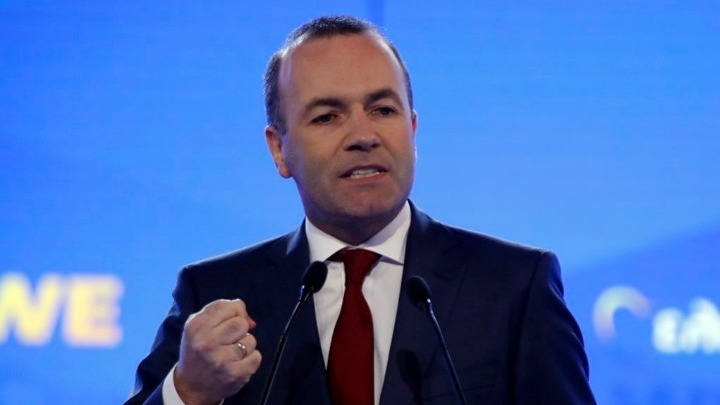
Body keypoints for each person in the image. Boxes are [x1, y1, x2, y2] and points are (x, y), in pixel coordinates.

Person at [125, 15, 596, 405]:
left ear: (413, 130)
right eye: (327, 116)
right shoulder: (214, 293)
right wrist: (189, 391)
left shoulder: (513, 286)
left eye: (383, 110)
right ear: (279, 150)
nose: (364, 136)